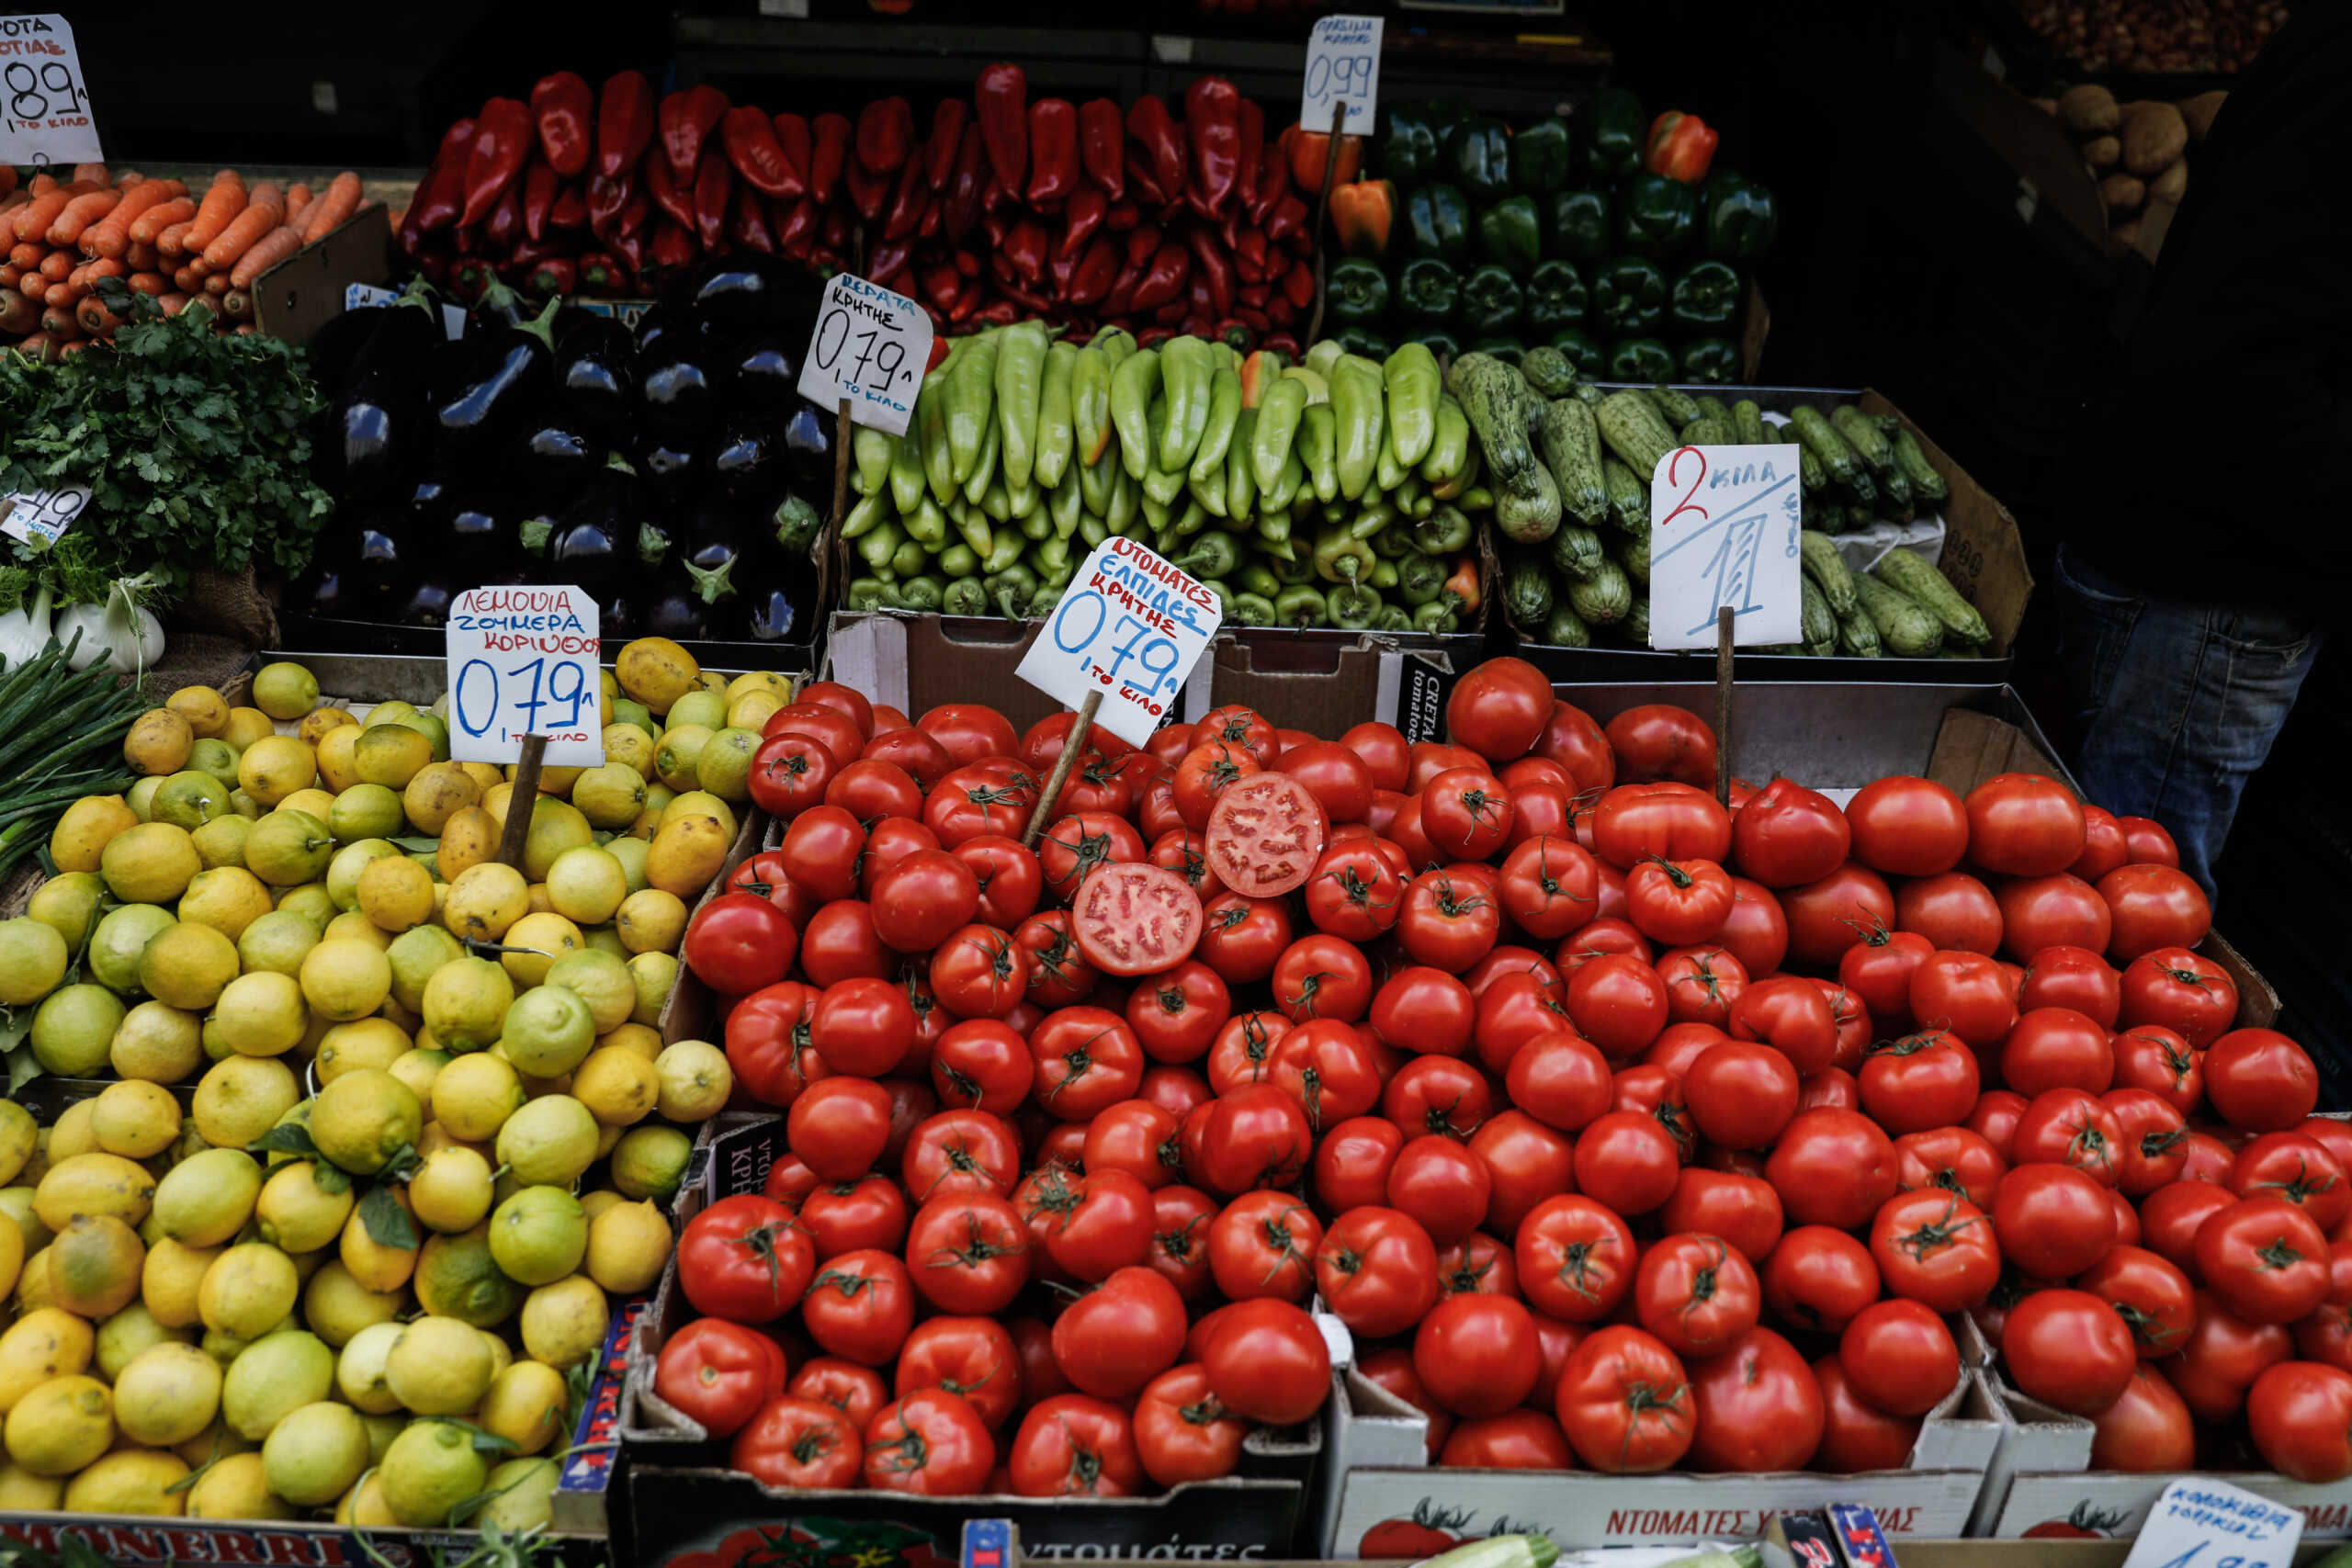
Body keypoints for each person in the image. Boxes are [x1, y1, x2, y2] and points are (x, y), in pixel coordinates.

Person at [2052, 2, 2350, 900]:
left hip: (2188, 551)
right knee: (2116, 915)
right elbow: (2248, 364)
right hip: (2206, 598)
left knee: (2078, 892)